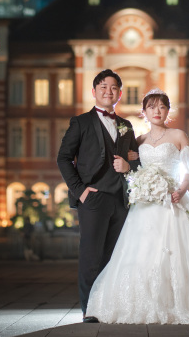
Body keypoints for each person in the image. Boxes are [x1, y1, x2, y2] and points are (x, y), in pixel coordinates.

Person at [85, 89, 189, 324]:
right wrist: (133, 174)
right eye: (152, 107)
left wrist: (182, 189)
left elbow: (188, 170)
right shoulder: (139, 141)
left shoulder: (178, 135)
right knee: (141, 253)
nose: (157, 111)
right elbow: (134, 170)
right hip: (146, 204)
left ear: (168, 111)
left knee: (183, 252)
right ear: (144, 112)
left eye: (162, 107)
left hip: (174, 198)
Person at [57, 69, 140, 323]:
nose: (108, 91)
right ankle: (90, 310)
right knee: (91, 256)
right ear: (94, 91)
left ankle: (109, 306)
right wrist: (80, 191)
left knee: (114, 256)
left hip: (120, 200)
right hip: (93, 198)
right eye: (103, 87)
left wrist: (129, 166)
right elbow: (63, 158)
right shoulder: (81, 122)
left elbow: (137, 162)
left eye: (113, 87)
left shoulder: (126, 126)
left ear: (120, 93)